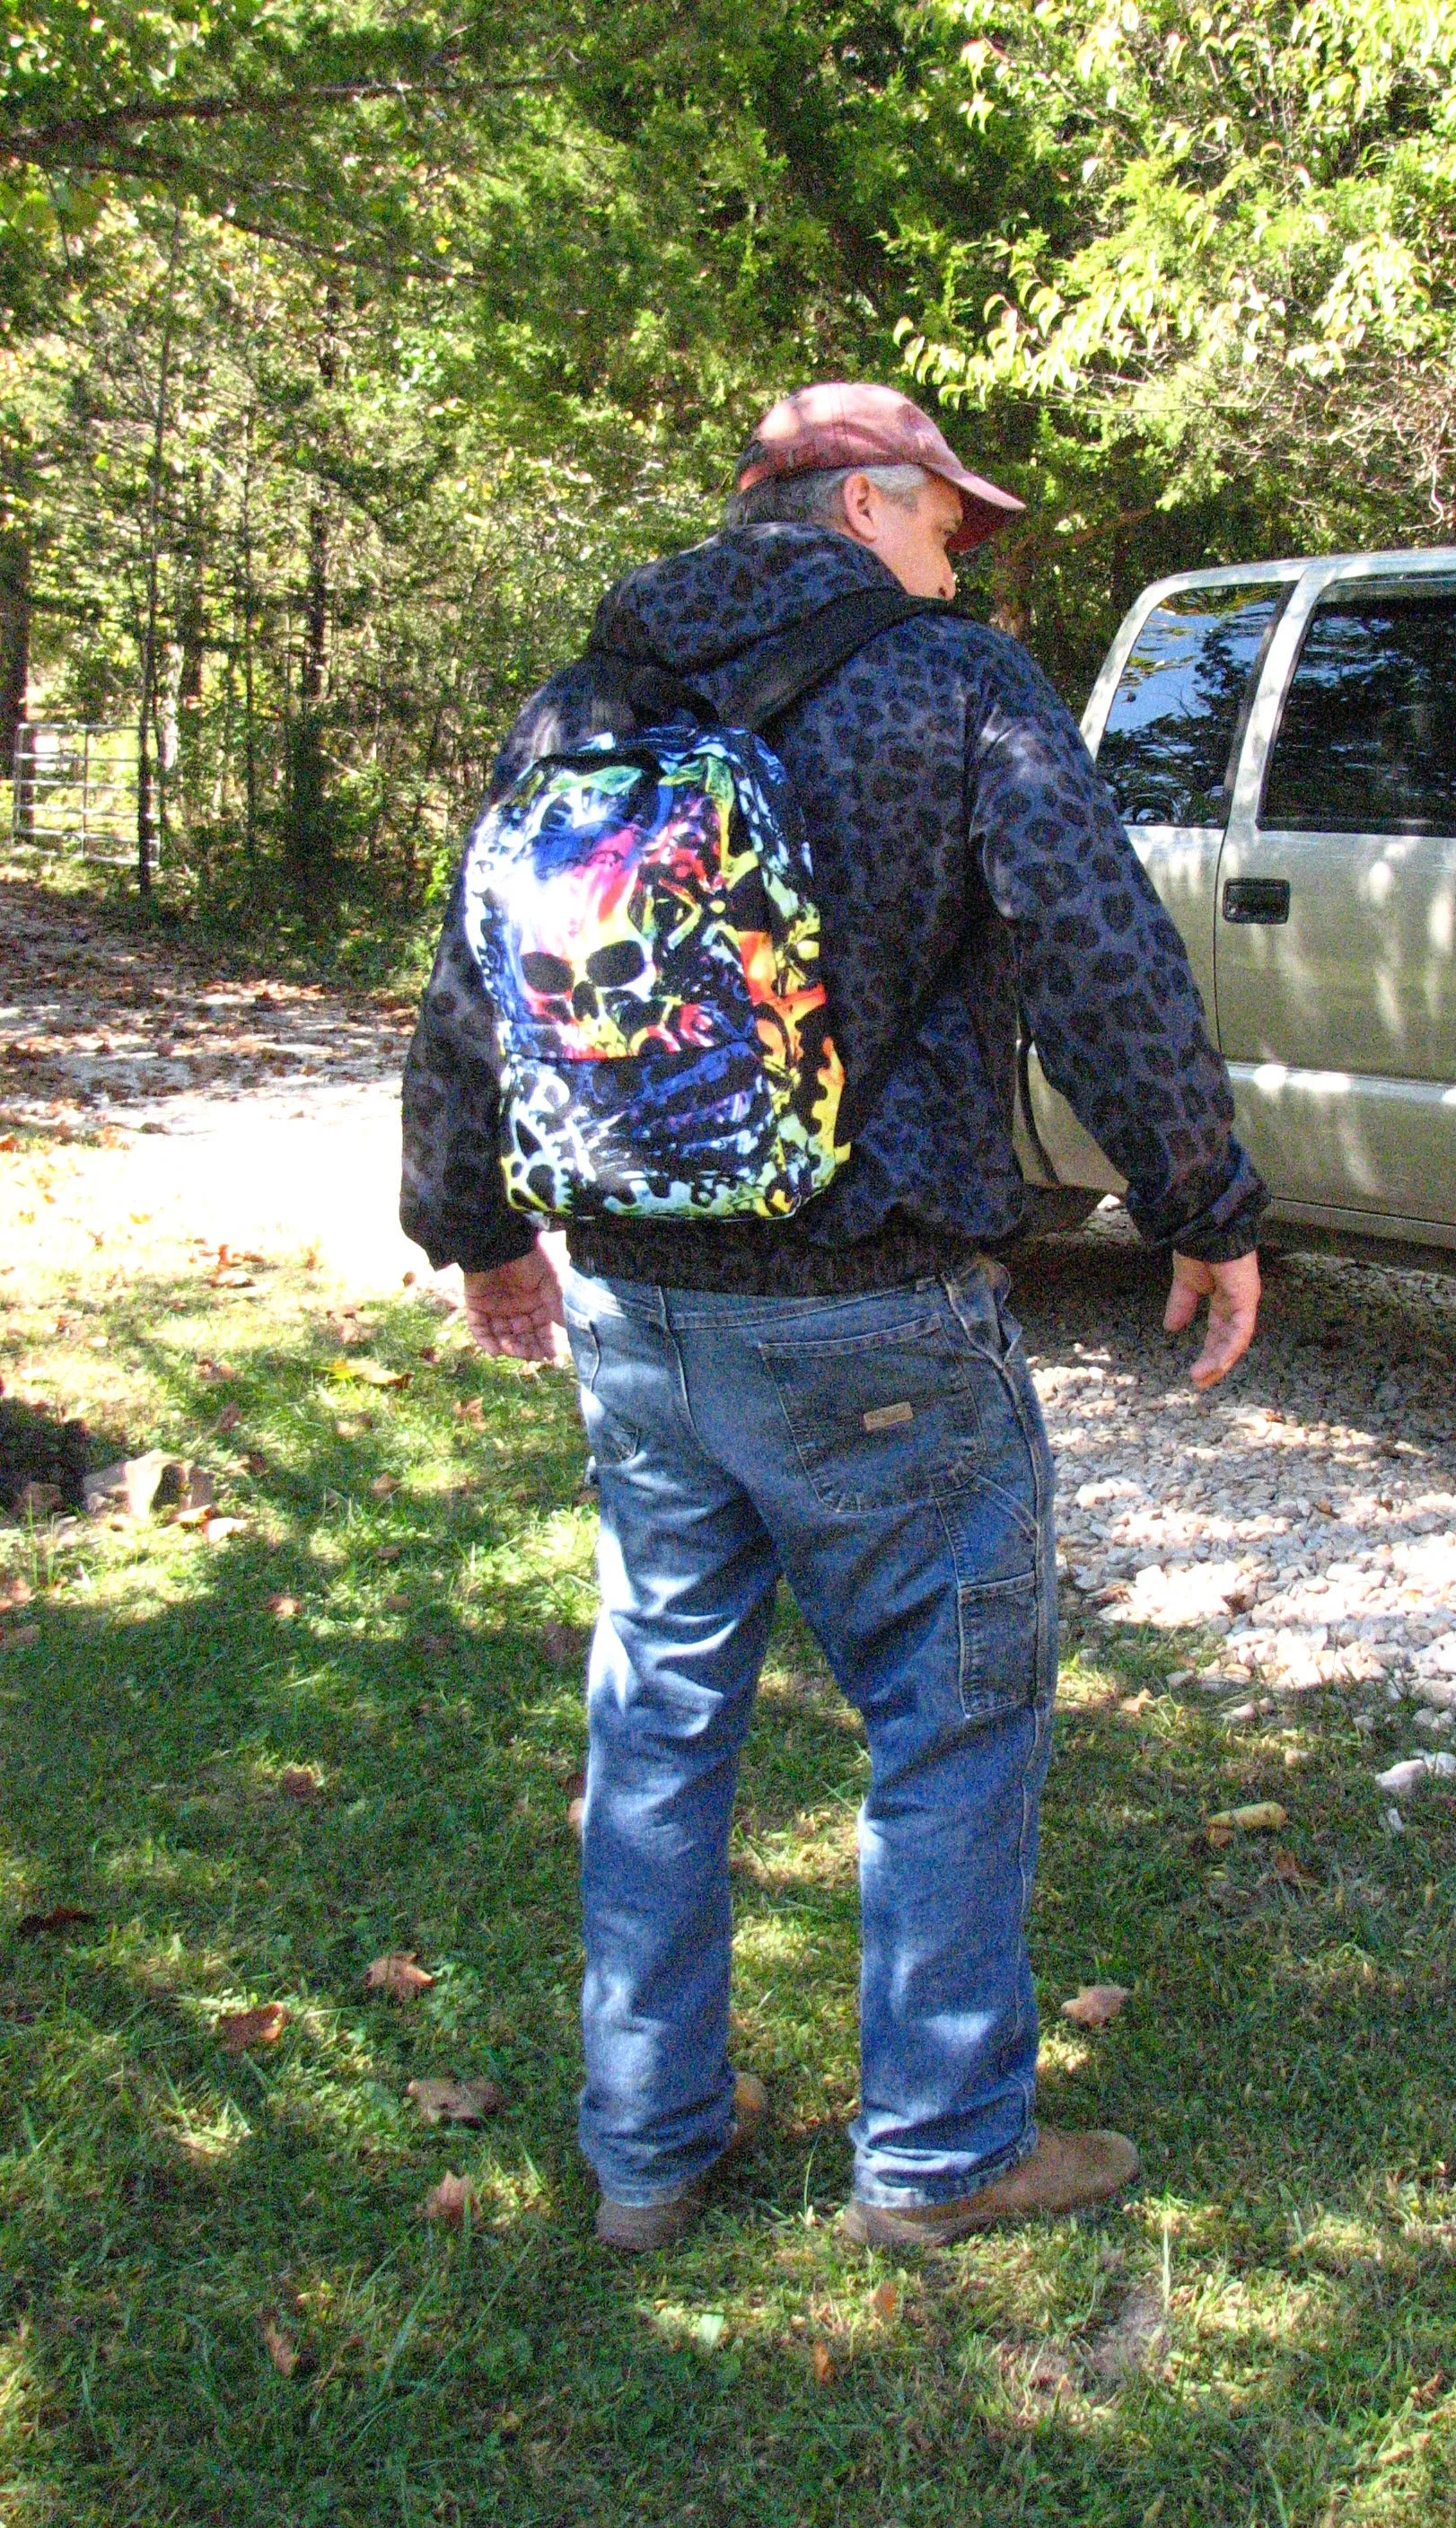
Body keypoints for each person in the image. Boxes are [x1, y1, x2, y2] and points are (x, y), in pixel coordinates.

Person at [399, 381, 1264, 2253]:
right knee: (948, 1717)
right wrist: (1204, 1202)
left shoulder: (586, 699)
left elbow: (473, 976)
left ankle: (647, 2151)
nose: (964, 552)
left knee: (661, 1707)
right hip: (876, 1308)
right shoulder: (950, 686)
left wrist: (473, 1224)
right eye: (953, 517)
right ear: (870, 504)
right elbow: (1098, 944)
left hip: (638, 1301)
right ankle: (945, 2154)